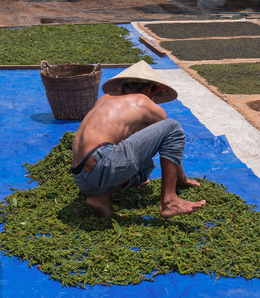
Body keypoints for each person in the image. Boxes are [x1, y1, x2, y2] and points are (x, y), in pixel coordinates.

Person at [71, 60, 206, 219]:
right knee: (173, 126)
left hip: (81, 176)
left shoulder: (104, 99)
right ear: (150, 88)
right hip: (103, 163)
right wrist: (182, 179)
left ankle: (100, 197)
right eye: (156, 92)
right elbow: (171, 141)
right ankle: (169, 200)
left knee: (146, 166)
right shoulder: (144, 103)